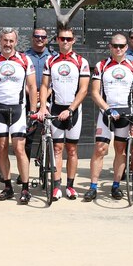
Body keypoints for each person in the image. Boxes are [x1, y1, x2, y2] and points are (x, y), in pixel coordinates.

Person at [86, 33, 133, 201]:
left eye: (122, 46)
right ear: (110, 47)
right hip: (106, 113)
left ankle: (116, 185)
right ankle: (93, 186)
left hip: (125, 114)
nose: (119, 49)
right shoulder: (101, 65)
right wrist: (107, 109)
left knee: (120, 151)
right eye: (115, 46)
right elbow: (94, 92)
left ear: (126, 47)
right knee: (100, 149)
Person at [0, 28, 38, 204]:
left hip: (17, 109)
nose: (8, 44)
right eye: (5, 40)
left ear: (16, 42)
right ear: (0, 40)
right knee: (2, 147)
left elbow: (33, 86)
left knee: (19, 148)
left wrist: (33, 110)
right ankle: (7, 186)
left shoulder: (24, 60)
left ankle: (26, 188)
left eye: (11, 41)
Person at [37, 25, 91, 200]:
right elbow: (44, 86)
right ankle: (56, 185)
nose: (65, 42)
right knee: (57, 148)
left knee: (72, 149)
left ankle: (71, 186)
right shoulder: (50, 61)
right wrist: (43, 106)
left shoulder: (81, 62)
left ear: (73, 40)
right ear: (58, 40)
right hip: (56, 108)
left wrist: (71, 109)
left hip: (73, 110)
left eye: (68, 39)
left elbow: (83, 90)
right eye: (62, 39)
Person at [24, 27, 55, 165]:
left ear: (47, 39)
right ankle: (24, 170)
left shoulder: (53, 57)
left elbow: (55, 81)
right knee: (27, 136)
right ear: (32, 38)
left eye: (43, 37)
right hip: (27, 97)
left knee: (50, 134)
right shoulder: (24, 56)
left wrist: (43, 95)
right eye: (37, 36)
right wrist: (31, 94)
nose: (40, 39)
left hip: (48, 97)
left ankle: (46, 165)